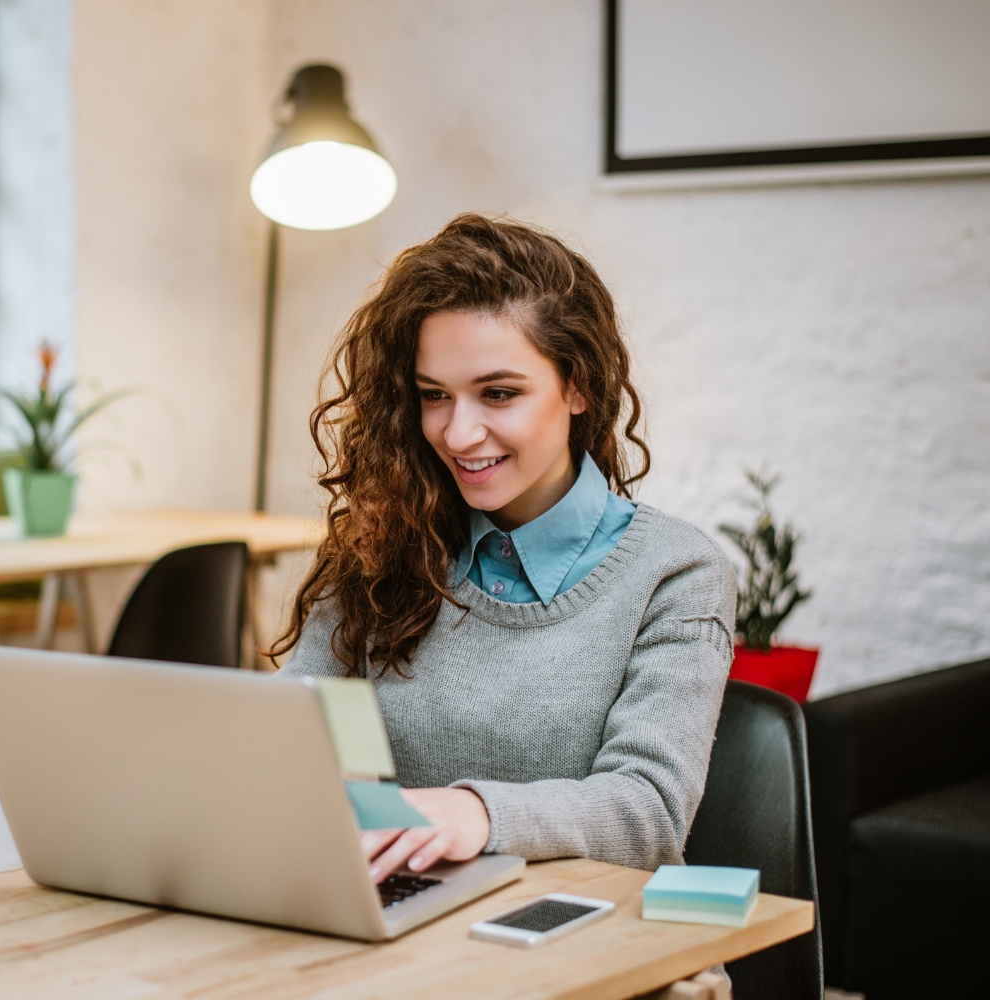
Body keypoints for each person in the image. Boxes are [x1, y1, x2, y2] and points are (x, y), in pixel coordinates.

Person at [274, 213, 736, 885]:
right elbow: (291, 736)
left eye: (498, 393)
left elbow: (648, 810)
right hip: (411, 928)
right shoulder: (383, 551)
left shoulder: (676, 573)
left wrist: (473, 813)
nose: (460, 434)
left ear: (578, 385)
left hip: (586, 943)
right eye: (434, 396)